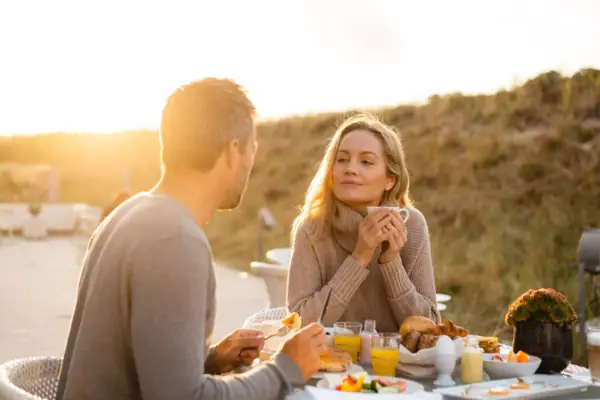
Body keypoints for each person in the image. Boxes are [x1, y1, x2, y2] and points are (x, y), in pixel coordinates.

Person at [56, 78, 326, 400]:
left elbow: (143, 368)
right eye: (252, 148)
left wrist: (211, 359)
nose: (251, 163)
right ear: (233, 151)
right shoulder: (174, 240)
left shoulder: (130, 213)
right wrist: (285, 369)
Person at [286, 114, 440, 334]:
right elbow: (298, 323)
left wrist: (390, 262)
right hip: (328, 364)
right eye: (342, 159)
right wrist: (359, 258)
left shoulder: (412, 224)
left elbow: (429, 328)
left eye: (366, 161)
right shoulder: (312, 227)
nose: (350, 168)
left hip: (398, 365)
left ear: (390, 180)